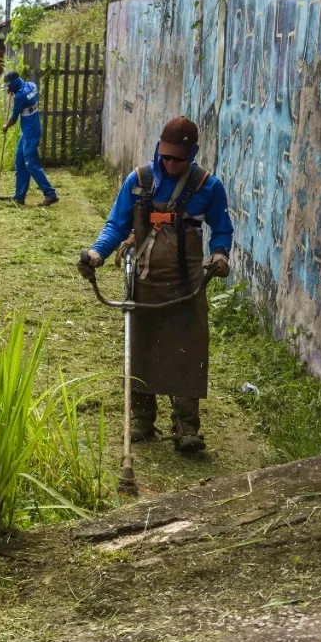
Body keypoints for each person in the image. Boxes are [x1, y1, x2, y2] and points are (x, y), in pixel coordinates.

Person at [78, 116, 234, 453]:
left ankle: (186, 426)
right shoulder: (139, 181)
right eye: (166, 155)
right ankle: (142, 419)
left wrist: (220, 255)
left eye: (178, 158)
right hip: (144, 278)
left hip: (188, 281)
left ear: (192, 154)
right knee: (142, 343)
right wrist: (96, 254)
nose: (171, 163)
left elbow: (222, 228)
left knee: (188, 348)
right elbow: (116, 225)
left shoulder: (208, 186)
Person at [2, 70, 58, 207]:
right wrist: (13, 91)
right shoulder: (32, 86)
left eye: (9, 85)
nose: (8, 88)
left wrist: (5, 126)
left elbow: (14, 119)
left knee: (30, 164)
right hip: (29, 130)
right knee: (20, 160)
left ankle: (50, 194)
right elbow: (27, 98)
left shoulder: (19, 97)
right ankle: (19, 196)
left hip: (31, 132)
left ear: (15, 83)